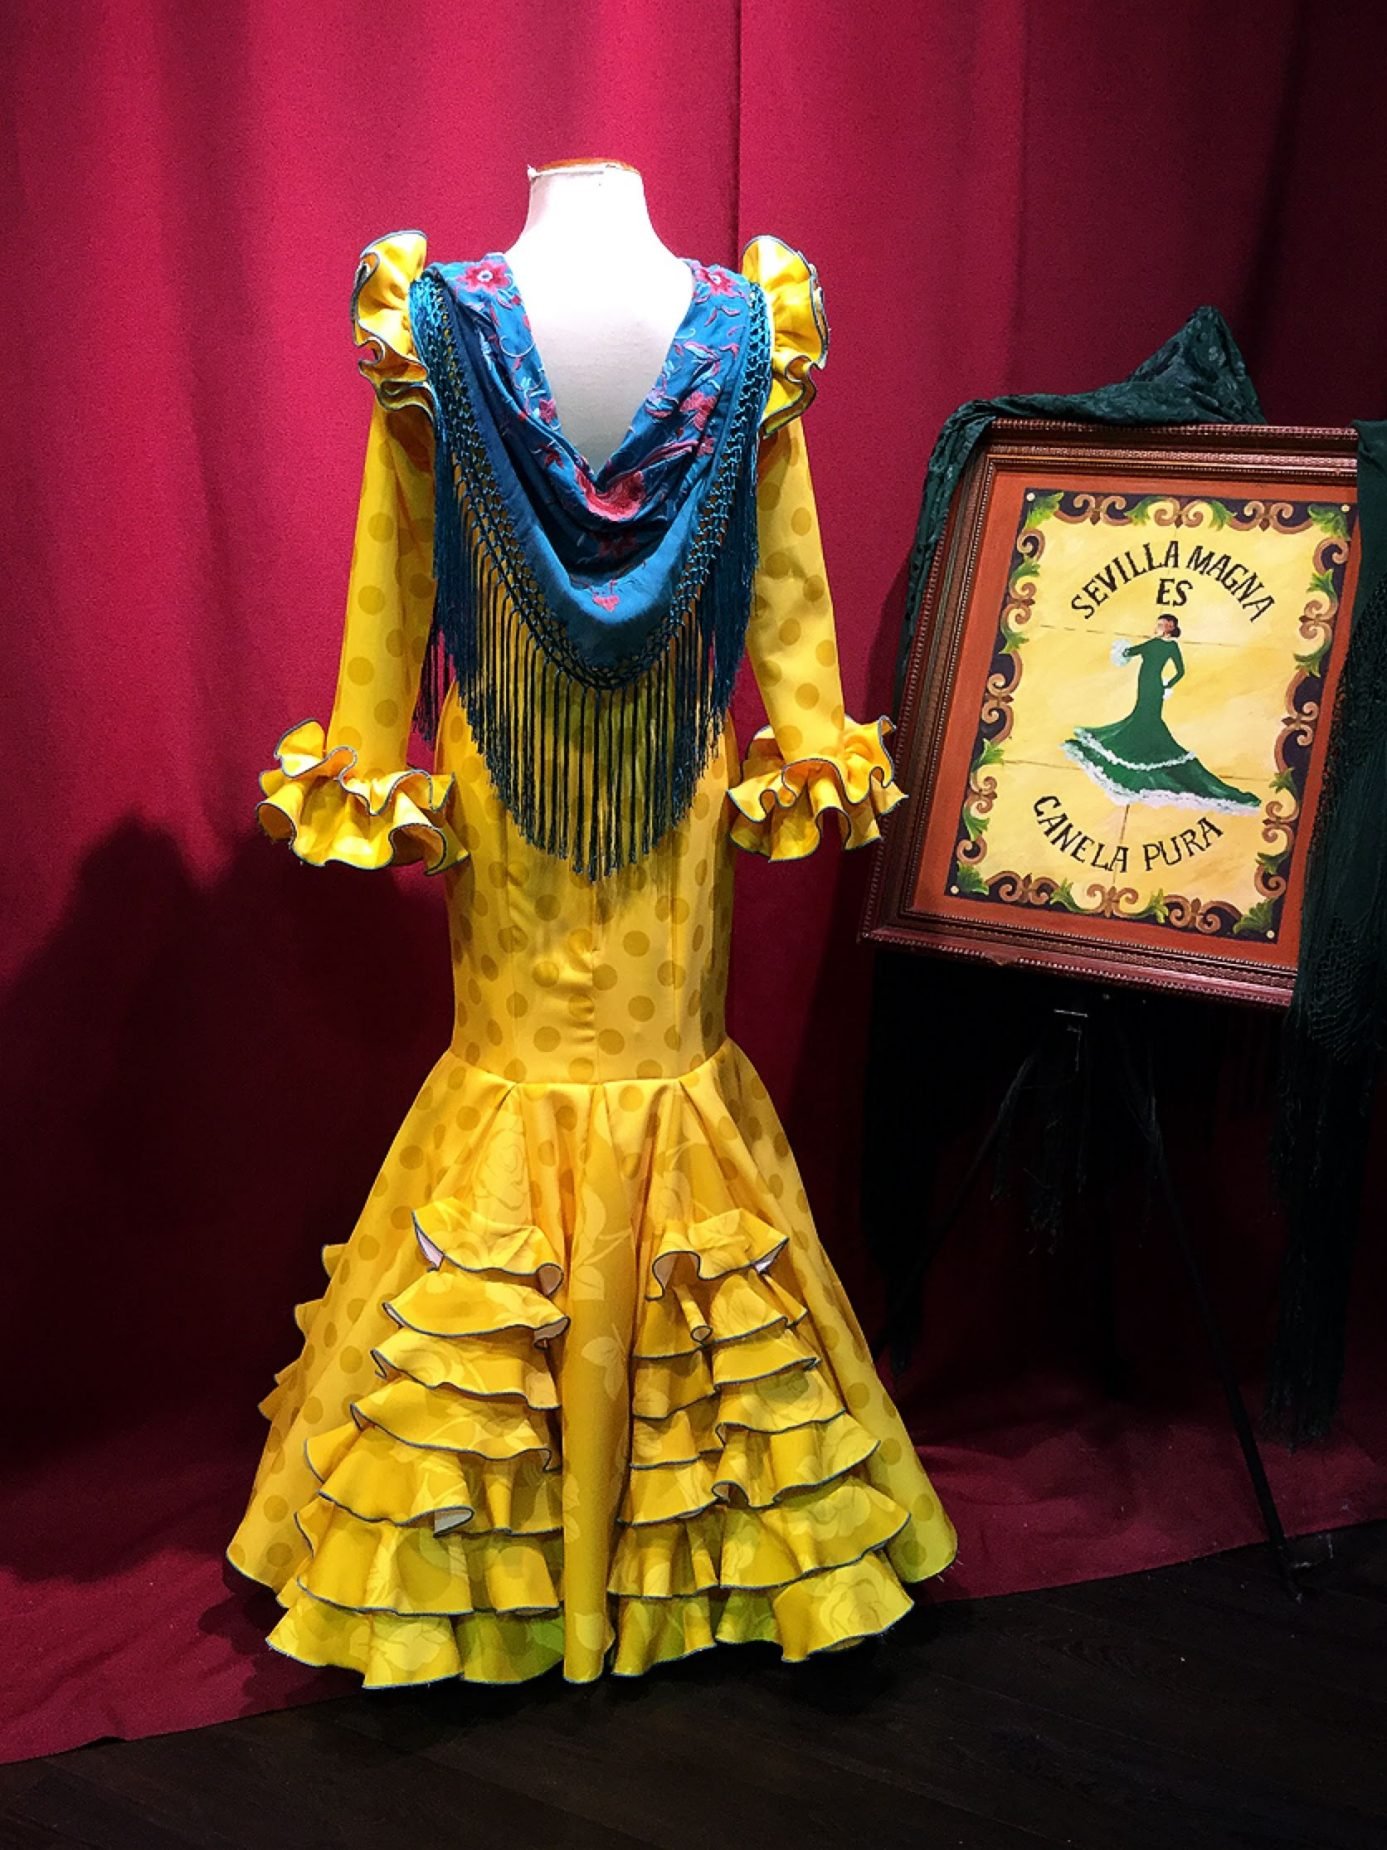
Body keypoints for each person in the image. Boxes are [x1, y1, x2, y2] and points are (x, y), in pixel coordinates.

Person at [1062, 611, 1261, 811]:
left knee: (1145, 718)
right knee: (1144, 718)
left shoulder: (1157, 644)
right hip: (1152, 686)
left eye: (1160, 624)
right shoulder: (1166, 646)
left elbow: (1132, 654)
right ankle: (1142, 747)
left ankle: (1143, 753)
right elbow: (1177, 671)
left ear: (1170, 627)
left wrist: (1123, 651)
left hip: (1151, 686)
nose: (1156, 628)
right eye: (1157, 624)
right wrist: (1167, 684)